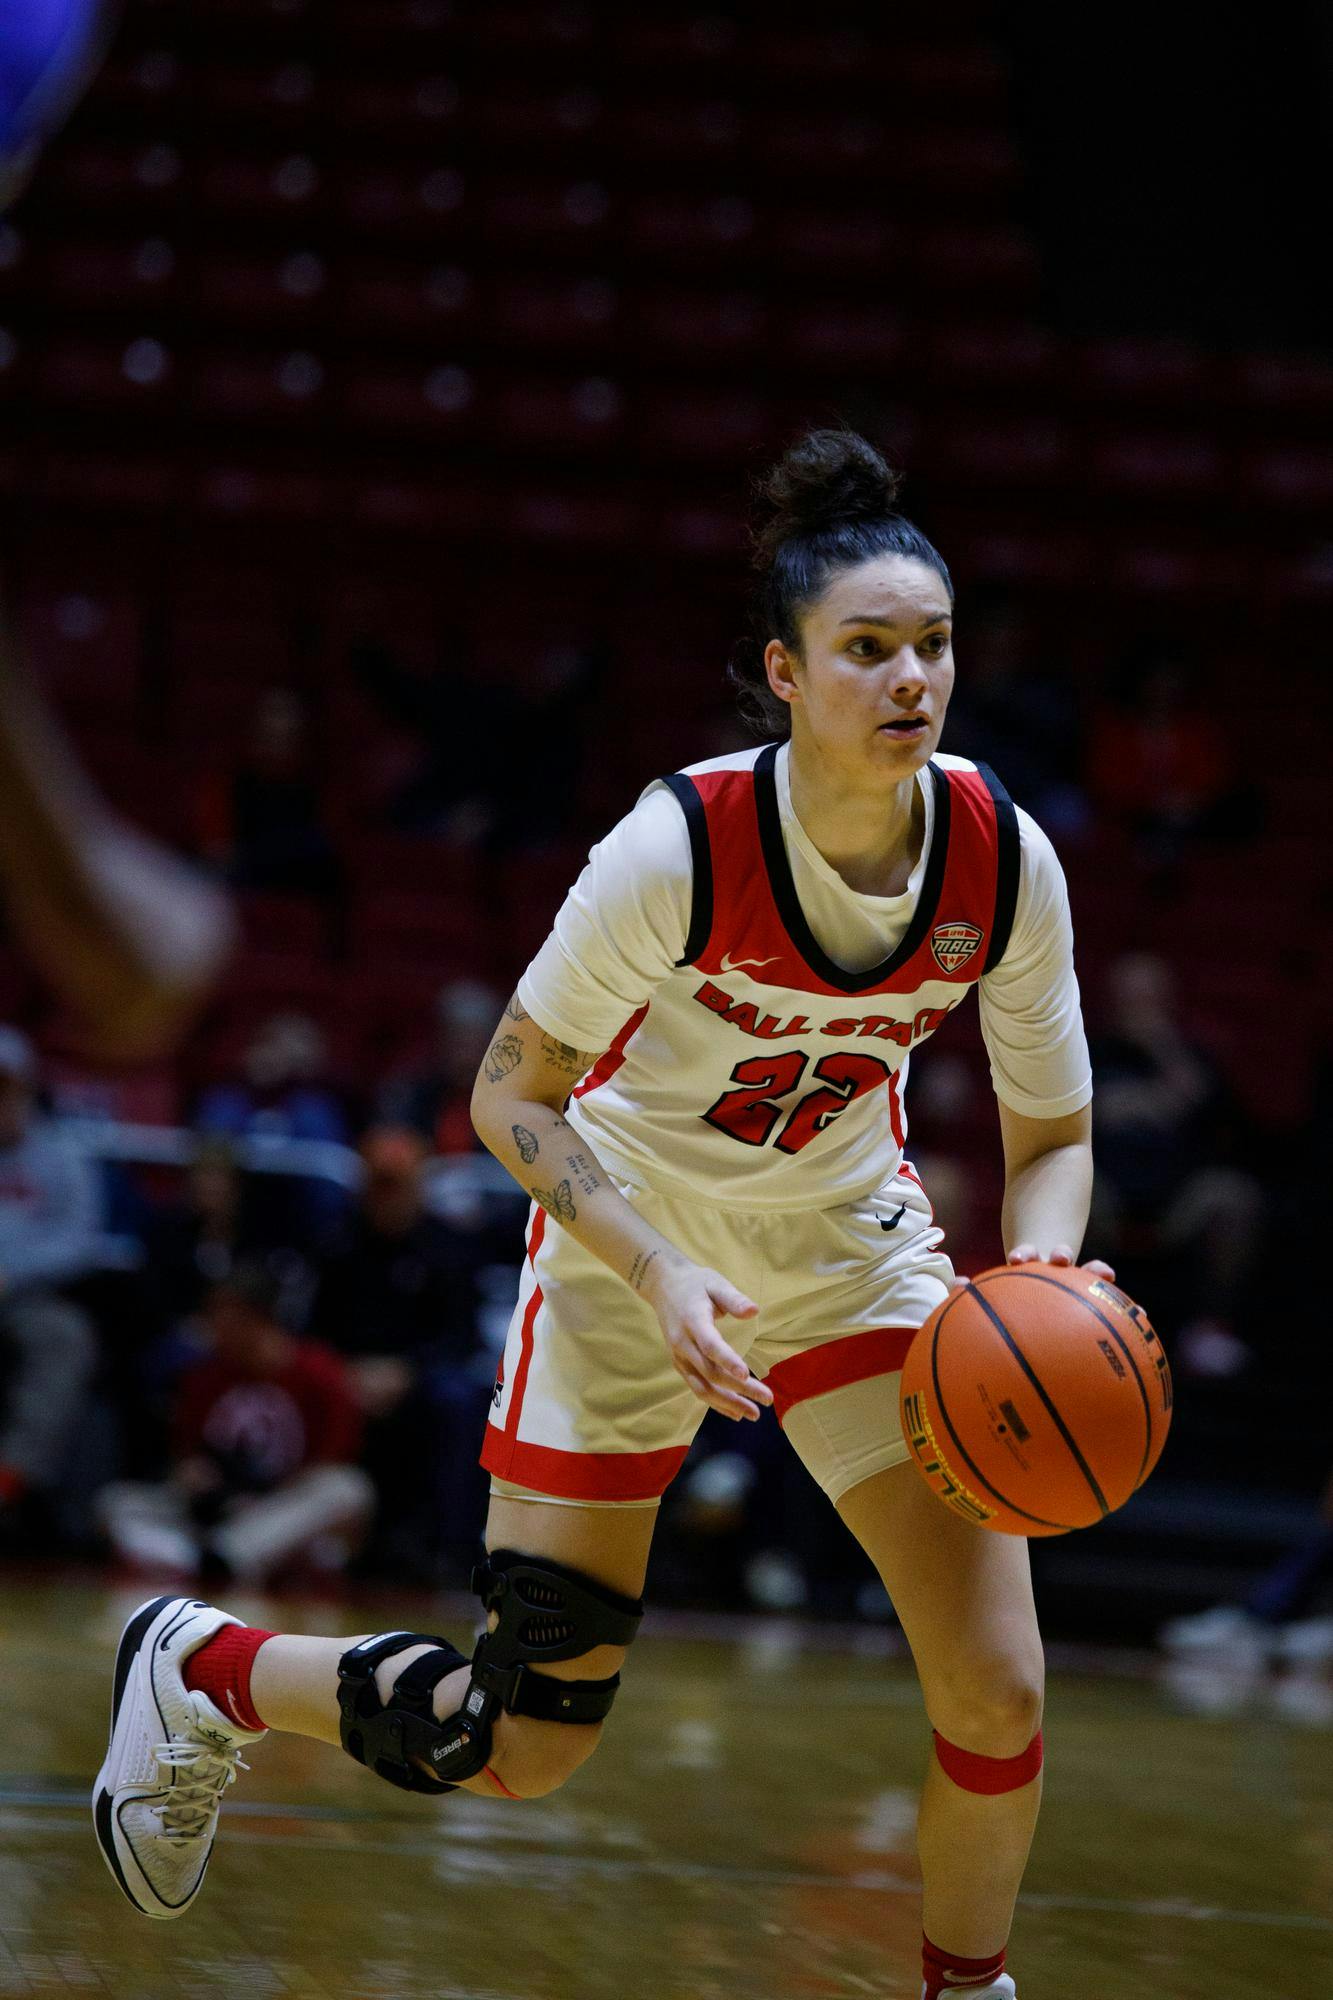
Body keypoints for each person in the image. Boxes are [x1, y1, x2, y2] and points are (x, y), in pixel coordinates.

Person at [92, 431, 1106, 2000]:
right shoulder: (678, 847)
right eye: (867, 650)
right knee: (518, 1750)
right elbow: (509, 1094)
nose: (911, 679)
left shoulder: (1000, 856)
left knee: (995, 1683)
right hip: (634, 1257)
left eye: (934, 647)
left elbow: (1052, 1127)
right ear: (783, 671)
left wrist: (1038, 1265)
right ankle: (203, 1668)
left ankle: (964, 1990)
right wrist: (653, 1261)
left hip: (853, 1259)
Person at [96, 1260, 371, 1585]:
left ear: (255, 1317)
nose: (208, 1325)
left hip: (280, 1509)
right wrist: (197, 1478)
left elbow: (331, 1461)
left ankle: (228, 1557)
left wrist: (263, 1497)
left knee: (347, 1489)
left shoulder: (321, 1373)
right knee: (117, 1501)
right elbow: (188, 1456)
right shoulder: (204, 1377)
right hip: (220, 1511)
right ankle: (204, 1558)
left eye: (219, 1314)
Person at [306, 1125, 491, 1578]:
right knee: (305, 1384)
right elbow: (313, 1330)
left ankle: (451, 1552)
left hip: (420, 1377)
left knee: (457, 1400)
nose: (386, 1196)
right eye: (378, 1184)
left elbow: (463, 1336)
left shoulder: (448, 1246)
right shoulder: (336, 1243)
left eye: (396, 1185)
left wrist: (405, 1372)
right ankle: (322, 1547)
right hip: (347, 1374)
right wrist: (345, 1371)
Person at [0, 1025, 100, 1540]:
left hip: (29, 1296)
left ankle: (10, 1478)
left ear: (24, 1088)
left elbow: (80, 1239)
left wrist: (14, 1272)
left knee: (64, 1336)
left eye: (5, 1087)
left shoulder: (62, 1153)